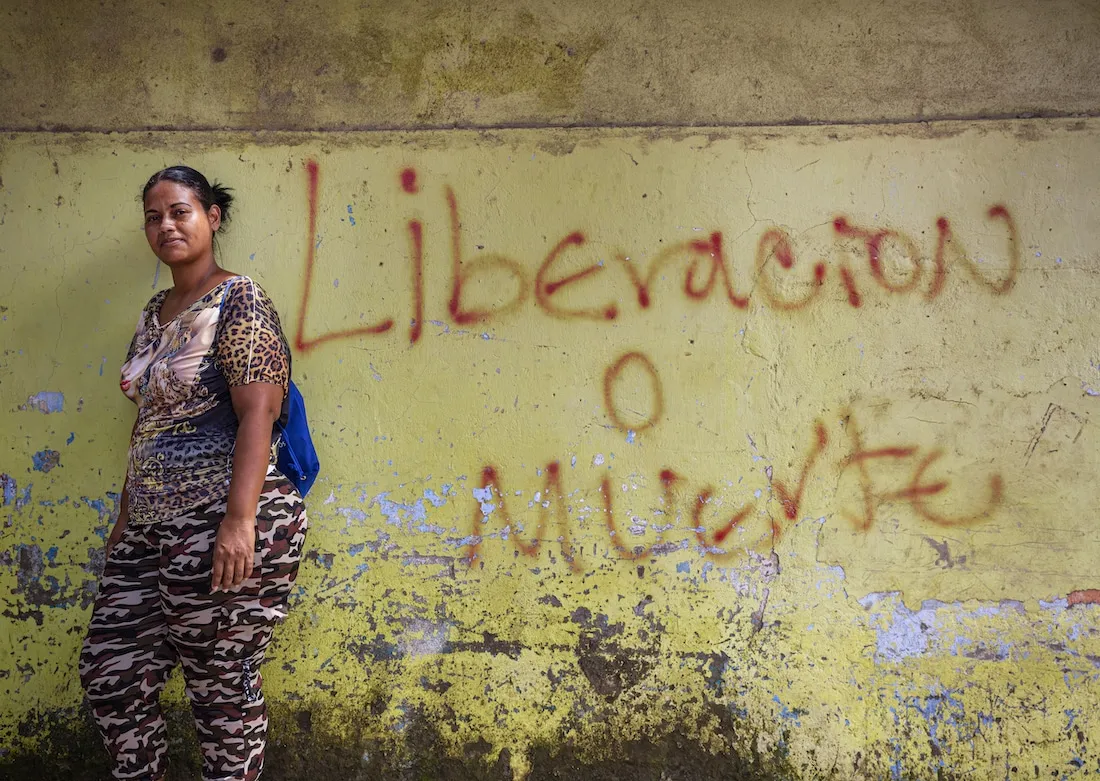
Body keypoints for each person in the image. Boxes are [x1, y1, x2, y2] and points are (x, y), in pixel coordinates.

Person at [79, 166, 308, 781]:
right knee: (111, 671)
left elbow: (259, 408)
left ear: (213, 217)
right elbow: (149, 419)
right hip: (151, 524)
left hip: (219, 517)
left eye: (180, 211)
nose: (166, 225)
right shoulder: (156, 311)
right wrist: (127, 519)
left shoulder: (240, 298)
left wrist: (239, 521)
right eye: (154, 216)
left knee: (219, 686)